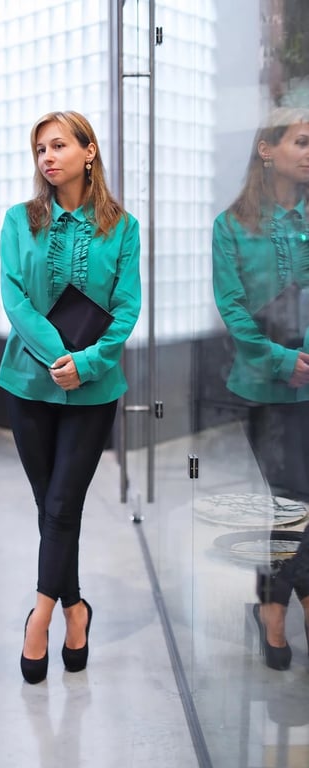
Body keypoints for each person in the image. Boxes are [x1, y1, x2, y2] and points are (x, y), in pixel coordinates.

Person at [0, 110, 141, 684]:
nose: (47, 158)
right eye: (39, 150)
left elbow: (126, 307)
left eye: (58, 145)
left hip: (95, 389)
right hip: (27, 385)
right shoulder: (18, 220)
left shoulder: (122, 227)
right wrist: (59, 355)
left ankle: (41, 617)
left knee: (61, 507)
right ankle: (77, 608)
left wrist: (86, 364)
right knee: (53, 509)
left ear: (89, 151)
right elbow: (14, 297)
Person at [212, 107, 309, 670]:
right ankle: (273, 609)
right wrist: (281, 358)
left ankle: (286, 595)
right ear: (267, 150)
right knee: (292, 502)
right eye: (301, 140)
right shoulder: (231, 225)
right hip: (265, 385)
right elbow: (231, 307)